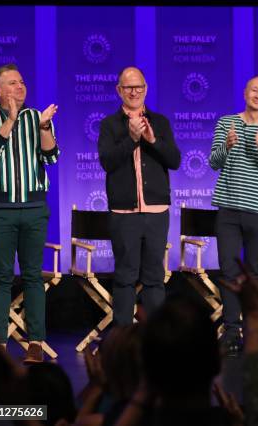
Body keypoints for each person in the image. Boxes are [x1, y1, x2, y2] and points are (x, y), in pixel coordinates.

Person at [0, 63, 59, 363]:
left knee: (34, 276)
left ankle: (36, 342)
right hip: (1, 211)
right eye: (12, 83)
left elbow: (51, 156)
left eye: (22, 81)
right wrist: (9, 119)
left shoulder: (37, 117)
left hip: (35, 208)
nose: (20, 87)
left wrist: (45, 127)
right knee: (1, 277)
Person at [209, 75, 258, 353]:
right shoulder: (225, 123)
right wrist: (227, 146)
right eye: (254, 90)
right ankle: (232, 331)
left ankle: (254, 330)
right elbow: (213, 162)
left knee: (254, 272)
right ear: (245, 93)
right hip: (228, 208)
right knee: (229, 270)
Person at [98, 66, 181, 326]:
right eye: (128, 87)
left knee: (155, 277)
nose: (134, 92)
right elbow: (108, 162)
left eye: (139, 87)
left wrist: (152, 140)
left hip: (157, 213)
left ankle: (157, 339)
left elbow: (175, 160)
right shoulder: (110, 124)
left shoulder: (160, 122)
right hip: (124, 214)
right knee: (124, 277)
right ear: (119, 90)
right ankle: (123, 338)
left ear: (145, 89)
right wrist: (132, 139)